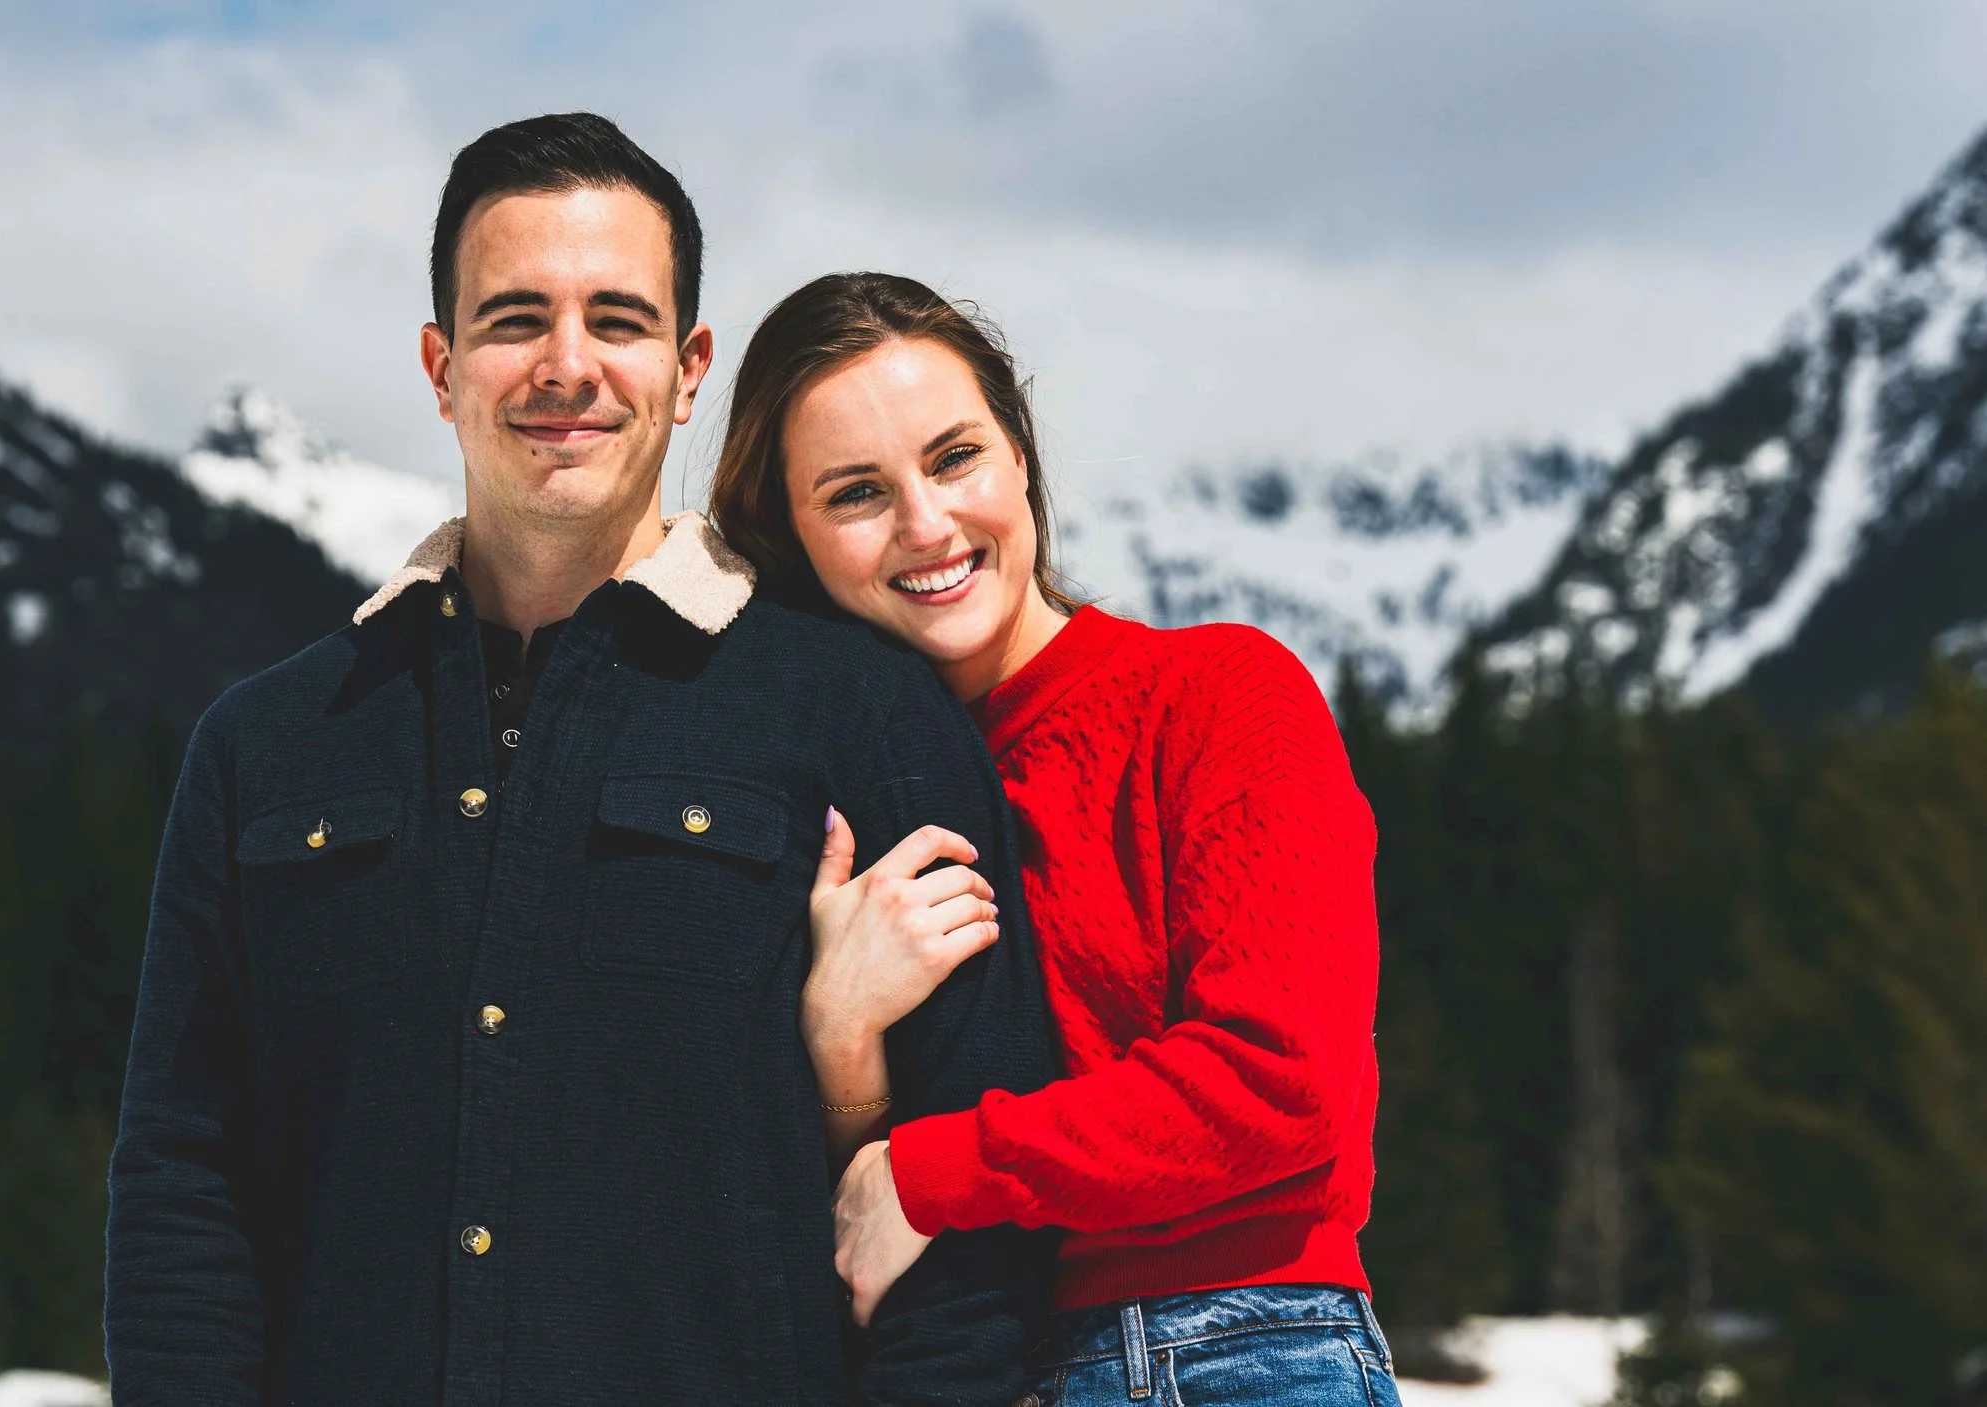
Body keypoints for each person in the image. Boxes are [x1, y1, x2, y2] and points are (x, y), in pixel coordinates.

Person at [104, 118, 1058, 1405]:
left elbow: (975, 1205)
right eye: (512, 320)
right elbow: (184, 1176)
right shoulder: (265, 746)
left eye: (617, 319)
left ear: (687, 366)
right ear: (441, 368)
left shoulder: (860, 712)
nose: (567, 365)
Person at [710, 272, 1397, 1407]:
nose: (926, 525)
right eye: (855, 493)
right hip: (977, 1366)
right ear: (791, 537)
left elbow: (1281, 1084)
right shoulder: (818, 812)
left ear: (1019, 454)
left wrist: (935, 1175)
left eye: (953, 458)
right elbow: (823, 1206)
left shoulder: (1216, 697)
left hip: (1233, 1347)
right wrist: (839, 1031)